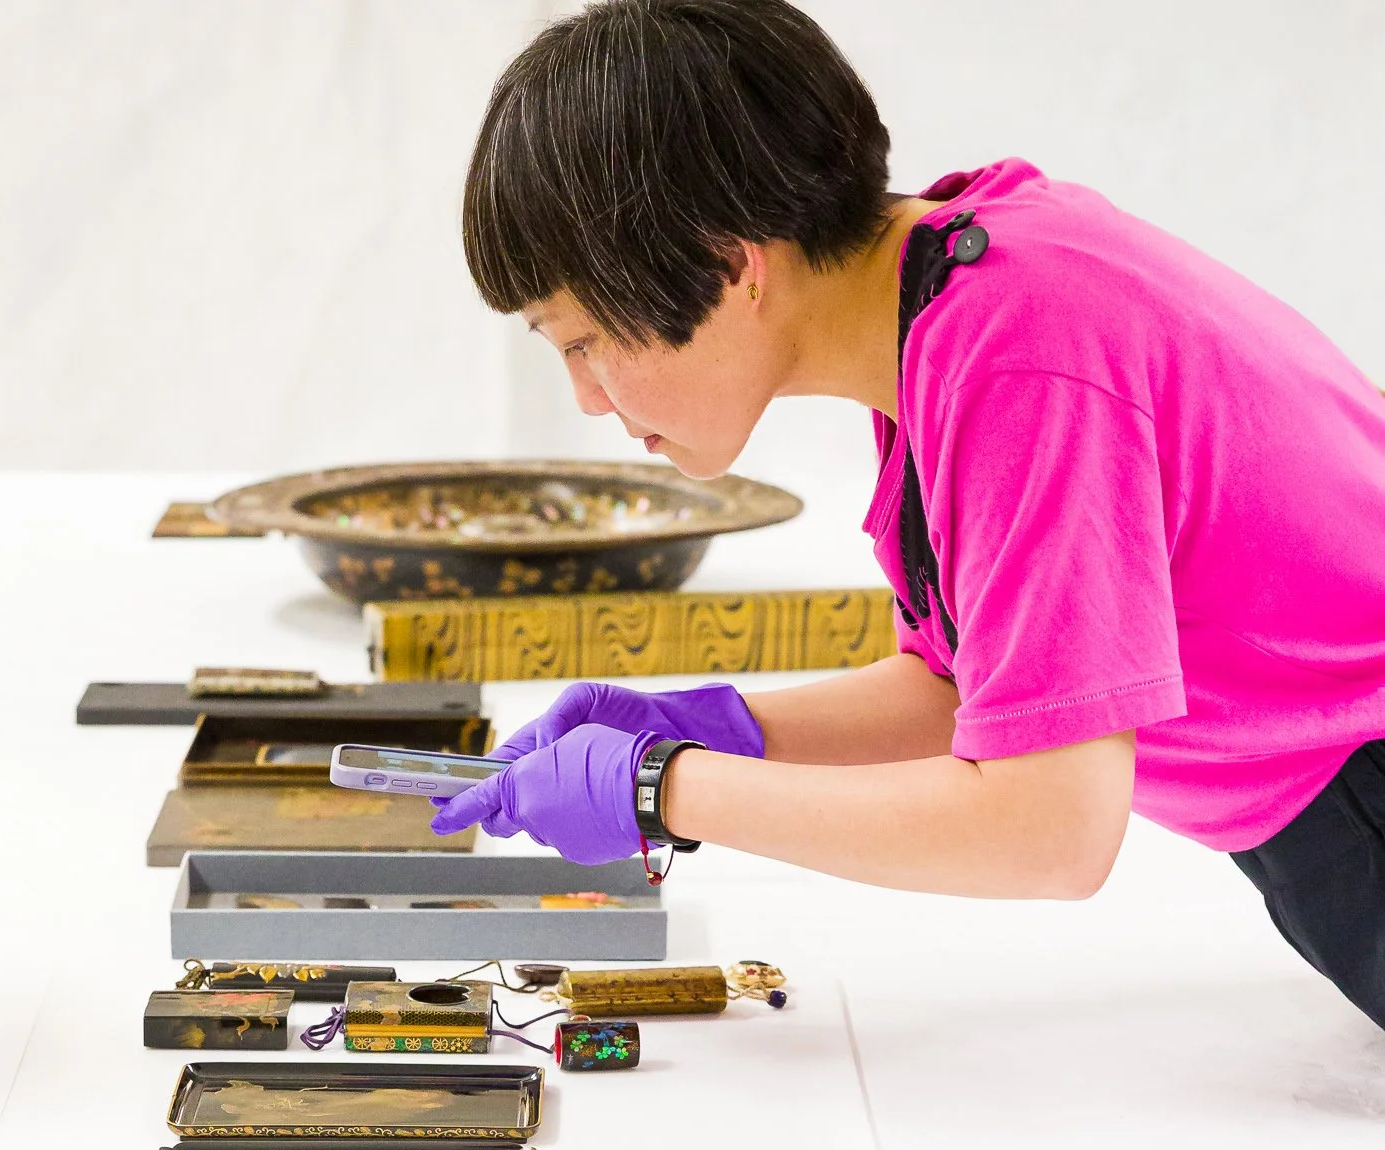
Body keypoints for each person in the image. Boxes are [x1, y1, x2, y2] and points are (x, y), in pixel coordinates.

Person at [432, 0, 1385, 1028]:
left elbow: (1046, 829)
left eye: (578, 341)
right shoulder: (956, 296)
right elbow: (975, 691)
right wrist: (720, 728)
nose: (584, 395)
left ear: (724, 265)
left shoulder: (1024, 355)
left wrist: (661, 785)